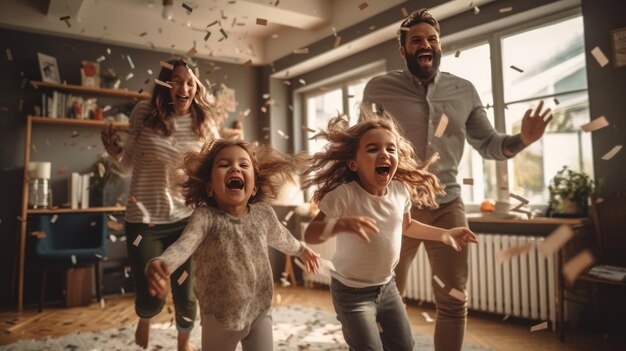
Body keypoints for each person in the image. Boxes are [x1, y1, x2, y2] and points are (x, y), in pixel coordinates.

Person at [361, 9, 553, 351]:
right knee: (385, 298)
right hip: (394, 205)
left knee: (453, 298)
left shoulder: (463, 90)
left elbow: (491, 145)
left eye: (432, 39)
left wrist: (522, 139)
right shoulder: (379, 88)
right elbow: (364, 145)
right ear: (402, 49)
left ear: (439, 46)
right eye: (416, 40)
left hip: (448, 205)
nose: (426, 45)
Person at [301, 114, 478, 350]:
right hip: (352, 292)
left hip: (387, 287)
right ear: (353, 163)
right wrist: (342, 225)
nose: (385, 154)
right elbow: (310, 235)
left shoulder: (399, 191)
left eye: (391, 149)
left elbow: (408, 226)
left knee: (404, 345)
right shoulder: (344, 195)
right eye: (373, 149)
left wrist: (444, 234)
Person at [145, 138, 321, 351]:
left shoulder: (263, 214)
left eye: (243, 165)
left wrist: (301, 250)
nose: (235, 168)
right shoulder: (205, 218)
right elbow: (185, 245)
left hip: (259, 309)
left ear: (254, 187)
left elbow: (283, 238)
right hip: (220, 315)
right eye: (224, 164)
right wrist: (163, 263)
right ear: (210, 187)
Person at [101, 58, 221, 351]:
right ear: (165, 84)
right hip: (144, 219)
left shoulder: (204, 121)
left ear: (196, 87)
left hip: (187, 220)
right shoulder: (143, 113)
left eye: (191, 82)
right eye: (177, 81)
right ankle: (146, 316)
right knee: (152, 293)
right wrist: (114, 151)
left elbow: (217, 163)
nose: (184, 88)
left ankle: (184, 342)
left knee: (185, 289)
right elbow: (128, 164)